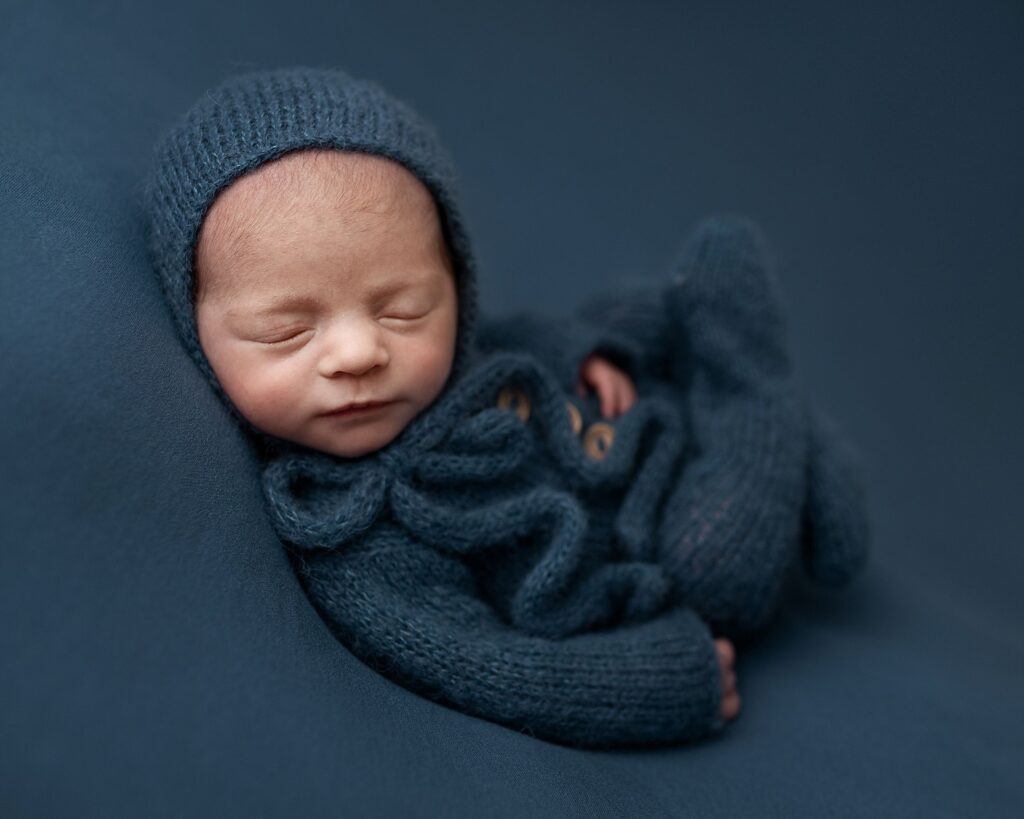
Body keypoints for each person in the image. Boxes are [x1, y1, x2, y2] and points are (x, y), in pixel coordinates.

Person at [142, 65, 868, 749]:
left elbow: (510, 332)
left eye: (403, 309)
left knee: (620, 332)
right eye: (287, 331)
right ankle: (747, 363)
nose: (359, 353)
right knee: (723, 575)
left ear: (456, 285)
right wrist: (664, 680)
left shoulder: (470, 352)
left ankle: (713, 345)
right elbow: (486, 666)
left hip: (634, 424)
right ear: (196, 331)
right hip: (664, 538)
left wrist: (582, 350)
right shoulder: (355, 536)